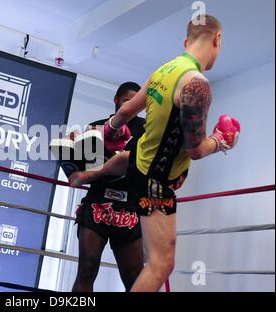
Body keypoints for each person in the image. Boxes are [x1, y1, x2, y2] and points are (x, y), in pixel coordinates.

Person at [69, 15, 241, 291]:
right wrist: (221, 141)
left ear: (187, 41)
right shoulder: (197, 84)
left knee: (136, 268)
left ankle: (90, 175)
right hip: (156, 183)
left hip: (136, 168)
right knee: (161, 264)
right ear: (217, 39)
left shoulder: (163, 70)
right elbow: (195, 149)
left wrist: (110, 132)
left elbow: (124, 112)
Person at [72, 82, 146, 292]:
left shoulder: (147, 130)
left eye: (135, 102)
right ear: (116, 101)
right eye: (126, 101)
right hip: (97, 205)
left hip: (130, 208)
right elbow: (82, 172)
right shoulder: (95, 127)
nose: (131, 105)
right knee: (86, 269)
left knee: (134, 278)